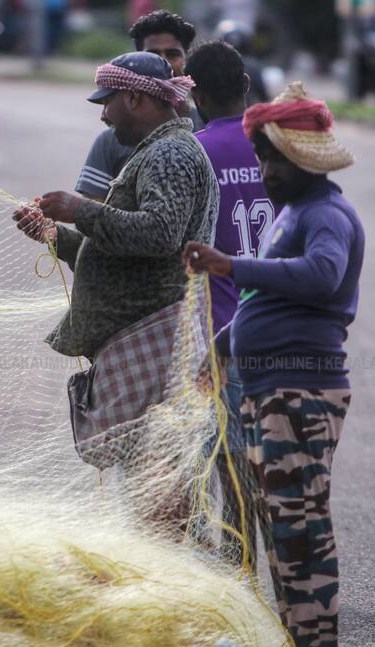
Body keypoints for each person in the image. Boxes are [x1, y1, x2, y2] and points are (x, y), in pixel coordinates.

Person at [184, 82, 361, 647]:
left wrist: (231, 265)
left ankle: (315, 637)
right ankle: (295, 633)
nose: (264, 168)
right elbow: (266, 300)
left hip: (300, 392)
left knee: (300, 526)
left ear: (305, 160)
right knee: (283, 526)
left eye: (274, 158)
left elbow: (321, 276)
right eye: (262, 156)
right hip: (270, 390)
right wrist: (223, 345)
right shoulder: (291, 213)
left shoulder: (326, 214)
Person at [14, 53, 218, 496]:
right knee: (150, 478)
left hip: (157, 339)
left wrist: (80, 210)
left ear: (135, 97)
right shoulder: (157, 150)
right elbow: (120, 250)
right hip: (147, 340)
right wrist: (54, 235)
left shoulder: (170, 154)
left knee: (162, 483)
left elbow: (160, 235)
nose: (104, 115)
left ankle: (169, 561)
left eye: (107, 103)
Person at [184, 40, 280, 568]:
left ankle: (243, 576)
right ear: (246, 87)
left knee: (231, 463)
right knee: (285, 469)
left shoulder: (194, 151)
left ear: (193, 95)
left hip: (224, 334)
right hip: (288, 330)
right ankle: (286, 584)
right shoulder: (278, 148)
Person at [76, 10, 201, 202]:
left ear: (186, 60)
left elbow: (161, 227)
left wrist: (75, 211)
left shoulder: (203, 128)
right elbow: (94, 223)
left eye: (172, 54)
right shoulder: (110, 141)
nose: (163, 62)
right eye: (153, 55)